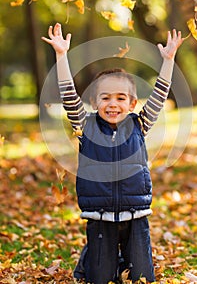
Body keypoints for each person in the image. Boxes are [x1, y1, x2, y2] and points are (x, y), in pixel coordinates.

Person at [42, 23, 183, 283]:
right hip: (99, 215)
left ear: (131, 103)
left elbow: (160, 95)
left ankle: (124, 260)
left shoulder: (139, 124)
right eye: (105, 98)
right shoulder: (85, 126)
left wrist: (168, 61)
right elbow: (68, 93)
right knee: (100, 278)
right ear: (95, 102)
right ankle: (93, 258)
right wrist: (61, 56)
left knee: (142, 276)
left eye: (120, 98)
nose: (113, 104)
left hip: (135, 213)